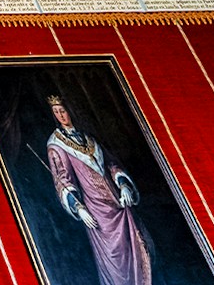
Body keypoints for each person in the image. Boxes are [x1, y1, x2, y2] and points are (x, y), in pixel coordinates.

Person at [44, 95, 152, 285]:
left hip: (119, 203)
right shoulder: (56, 145)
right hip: (96, 211)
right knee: (114, 263)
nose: (61, 115)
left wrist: (124, 186)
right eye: (56, 112)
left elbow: (111, 164)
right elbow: (63, 179)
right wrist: (79, 208)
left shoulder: (89, 138)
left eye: (63, 110)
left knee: (137, 248)